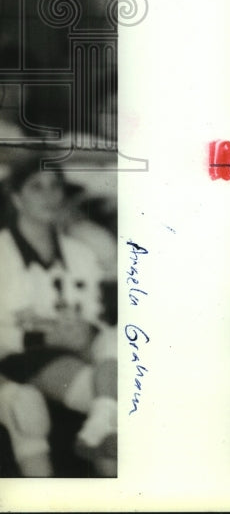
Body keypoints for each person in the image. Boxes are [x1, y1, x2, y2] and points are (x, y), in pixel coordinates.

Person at [0, 154, 117, 477]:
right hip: (24, 355)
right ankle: (103, 419)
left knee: (120, 341)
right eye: (37, 187)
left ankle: (102, 423)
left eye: (55, 187)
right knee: (112, 406)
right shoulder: (3, 252)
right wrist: (46, 335)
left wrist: (87, 330)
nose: (50, 196)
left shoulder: (80, 252)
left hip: (82, 353)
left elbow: (96, 314)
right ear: (16, 198)